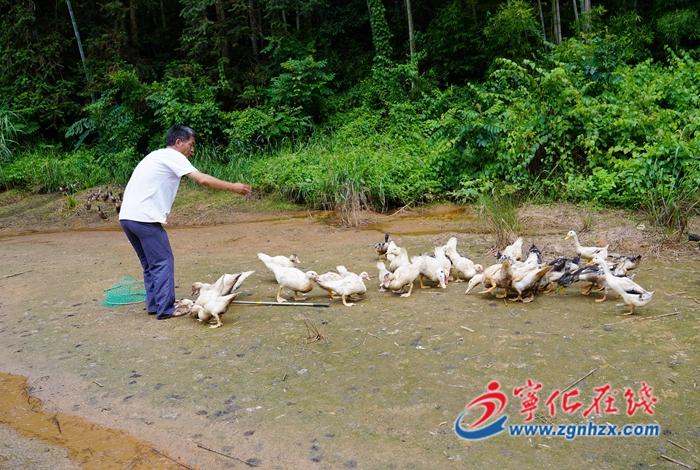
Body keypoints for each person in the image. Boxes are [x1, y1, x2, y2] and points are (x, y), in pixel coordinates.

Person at [119, 124, 251, 320]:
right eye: (191, 144)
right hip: (144, 218)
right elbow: (203, 180)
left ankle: (155, 305)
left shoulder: (155, 155)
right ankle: (166, 309)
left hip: (127, 217)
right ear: (178, 142)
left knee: (151, 264)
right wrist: (234, 187)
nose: (192, 149)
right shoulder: (173, 156)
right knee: (163, 261)